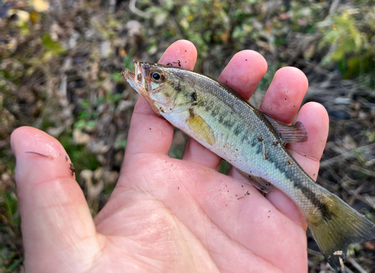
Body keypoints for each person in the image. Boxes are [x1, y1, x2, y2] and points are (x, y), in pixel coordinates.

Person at [11, 40, 329, 273]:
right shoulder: (183, 105)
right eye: (156, 76)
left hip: (264, 159)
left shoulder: (190, 104)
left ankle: (320, 209)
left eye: (158, 78)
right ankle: (319, 207)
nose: (149, 77)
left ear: (185, 96)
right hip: (259, 160)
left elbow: (207, 130)